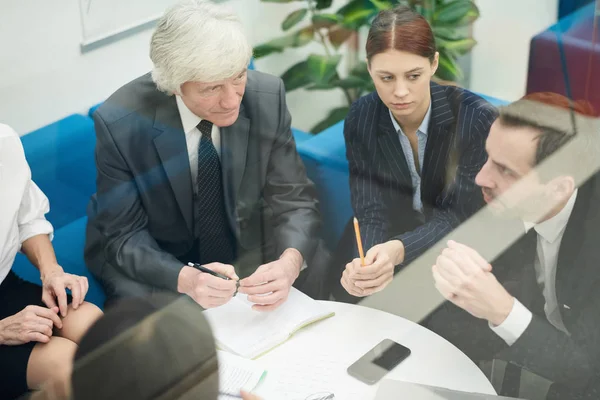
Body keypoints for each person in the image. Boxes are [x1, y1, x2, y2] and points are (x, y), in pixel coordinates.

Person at [84, 0, 321, 309]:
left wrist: (289, 263)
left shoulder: (266, 96)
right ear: (174, 86)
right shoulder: (119, 123)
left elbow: (294, 199)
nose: (231, 100)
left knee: (310, 265)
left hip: (241, 237)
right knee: (155, 325)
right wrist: (186, 278)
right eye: (211, 89)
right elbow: (124, 235)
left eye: (238, 76)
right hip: (156, 253)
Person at [428, 92, 600, 399]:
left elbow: (588, 370)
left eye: (506, 170)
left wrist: (502, 311)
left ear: (559, 188)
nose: (482, 177)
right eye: (488, 156)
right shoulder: (489, 191)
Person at [332, 5, 497, 301]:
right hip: (386, 238)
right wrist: (369, 262)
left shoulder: (475, 119)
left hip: (453, 245)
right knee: (349, 295)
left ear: (433, 64)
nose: (400, 92)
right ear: (369, 68)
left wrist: (399, 250)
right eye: (386, 78)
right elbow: (370, 208)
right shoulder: (362, 116)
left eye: (413, 76)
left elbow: (461, 214)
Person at [0, 123, 103, 400]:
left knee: (97, 328)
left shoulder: (3, 142)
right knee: (64, 364)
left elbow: (26, 220)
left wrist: (52, 272)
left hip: (3, 288)